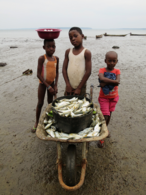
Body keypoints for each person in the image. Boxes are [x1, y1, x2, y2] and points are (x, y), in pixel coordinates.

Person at [31, 39, 59, 133]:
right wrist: (48, 86)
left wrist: (55, 85)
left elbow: (57, 72)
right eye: (49, 46)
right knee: (40, 103)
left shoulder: (56, 59)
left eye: (53, 46)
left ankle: (49, 120)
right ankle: (36, 122)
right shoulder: (42, 58)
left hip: (51, 83)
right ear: (44, 47)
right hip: (43, 84)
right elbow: (38, 74)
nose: (51, 48)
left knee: (50, 103)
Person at [98, 51, 120, 148]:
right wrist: (113, 81)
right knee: (105, 116)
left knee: (110, 114)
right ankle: (101, 135)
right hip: (104, 98)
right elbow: (101, 79)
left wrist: (105, 82)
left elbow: (118, 82)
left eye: (113, 61)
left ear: (116, 61)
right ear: (105, 61)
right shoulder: (102, 70)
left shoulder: (117, 71)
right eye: (109, 61)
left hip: (114, 98)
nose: (111, 63)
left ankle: (105, 129)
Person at [62, 27, 91, 96]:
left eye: (75, 36)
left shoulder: (86, 52)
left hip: (81, 86)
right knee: (66, 103)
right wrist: (68, 85)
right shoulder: (68, 52)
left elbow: (88, 72)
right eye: (70, 37)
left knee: (80, 105)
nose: (73, 39)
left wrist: (79, 88)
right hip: (69, 85)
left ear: (82, 36)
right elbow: (64, 69)